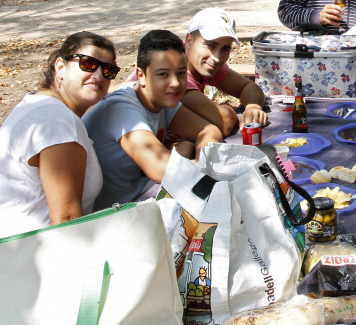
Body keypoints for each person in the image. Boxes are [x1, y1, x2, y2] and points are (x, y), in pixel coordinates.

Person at [84, 30, 224, 210]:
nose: (175, 83)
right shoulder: (123, 108)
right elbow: (164, 169)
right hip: (114, 213)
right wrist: (187, 151)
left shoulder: (161, 99)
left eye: (181, 73)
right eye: (163, 74)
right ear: (141, 76)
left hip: (143, 193)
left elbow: (209, 130)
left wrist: (197, 158)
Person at [0, 32, 118, 237]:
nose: (99, 75)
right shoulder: (58, 122)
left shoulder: (38, 105)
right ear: (60, 67)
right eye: (88, 64)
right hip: (33, 258)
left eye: (108, 70)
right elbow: (66, 220)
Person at [182, 8, 267, 136]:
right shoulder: (176, 72)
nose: (217, 58)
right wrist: (226, 106)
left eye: (225, 49)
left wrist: (252, 107)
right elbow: (226, 122)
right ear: (189, 42)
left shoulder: (203, 62)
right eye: (211, 45)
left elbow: (249, 87)